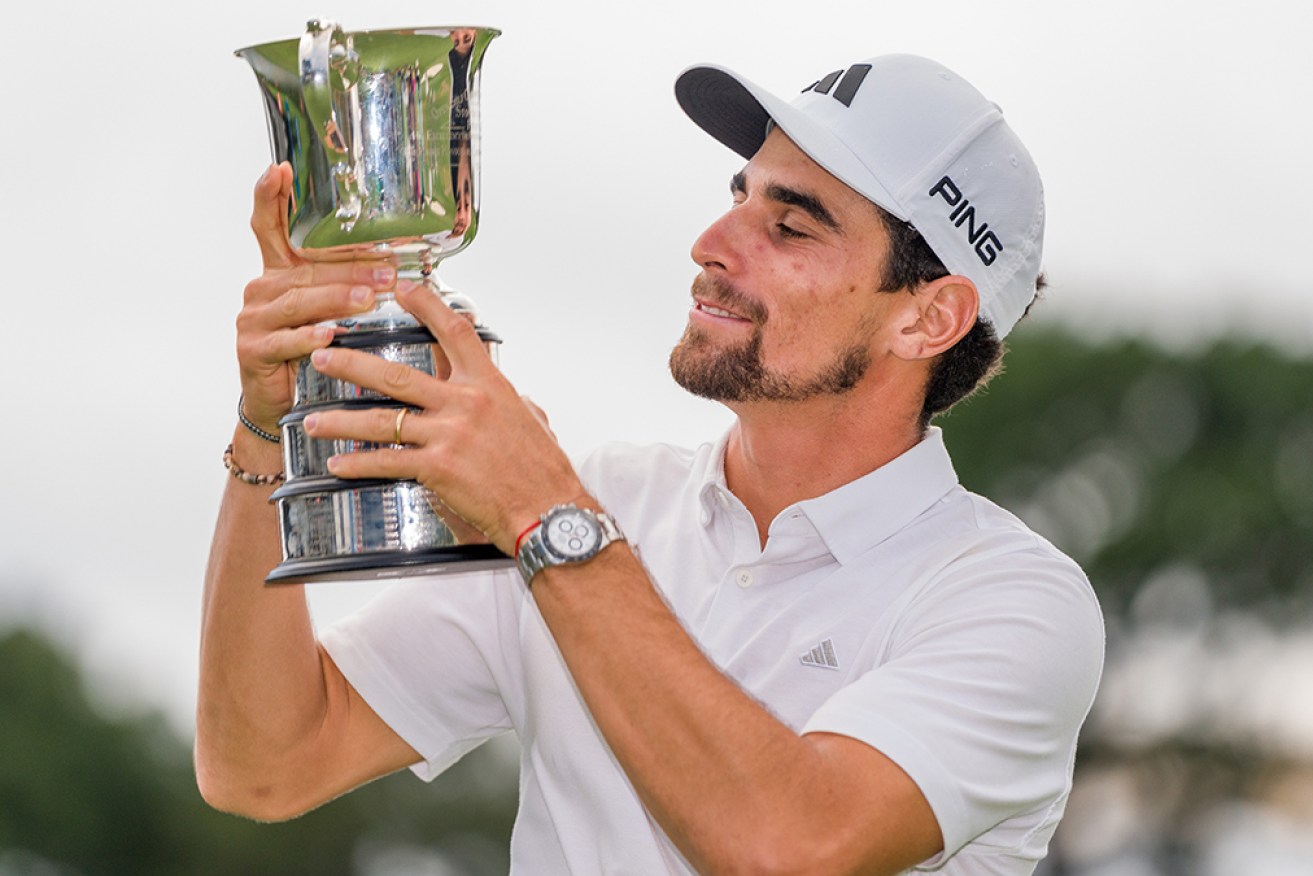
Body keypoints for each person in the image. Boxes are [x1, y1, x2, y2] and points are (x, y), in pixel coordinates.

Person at [197, 53, 1104, 875]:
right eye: (741, 195)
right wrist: (267, 429)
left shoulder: (1011, 598)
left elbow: (790, 846)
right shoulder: (604, 501)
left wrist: (541, 512)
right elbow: (266, 765)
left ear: (927, 318)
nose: (713, 241)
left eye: (790, 227)